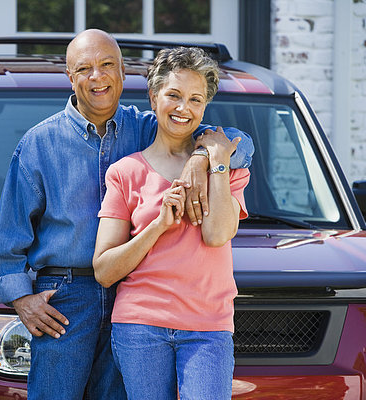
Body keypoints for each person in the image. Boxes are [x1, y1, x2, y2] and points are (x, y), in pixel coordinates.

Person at [0, 29, 253, 400]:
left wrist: (201, 157)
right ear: (70, 76)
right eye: (84, 68)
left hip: (131, 294)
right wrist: (21, 298)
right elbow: (10, 234)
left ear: (123, 71)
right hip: (66, 297)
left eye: (106, 65)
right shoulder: (39, 143)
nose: (97, 77)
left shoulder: (149, 127)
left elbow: (238, 143)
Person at [92, 46, 250, 400]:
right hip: (140, 325)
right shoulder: (125, 173)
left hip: (207, 328)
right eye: (174, 96)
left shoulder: (230, 169)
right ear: (153, 97)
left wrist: (217, 163)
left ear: (205, 105)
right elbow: (104, 270)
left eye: (195, 99)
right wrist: (158, 225)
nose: (184, 108)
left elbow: (217, 234)